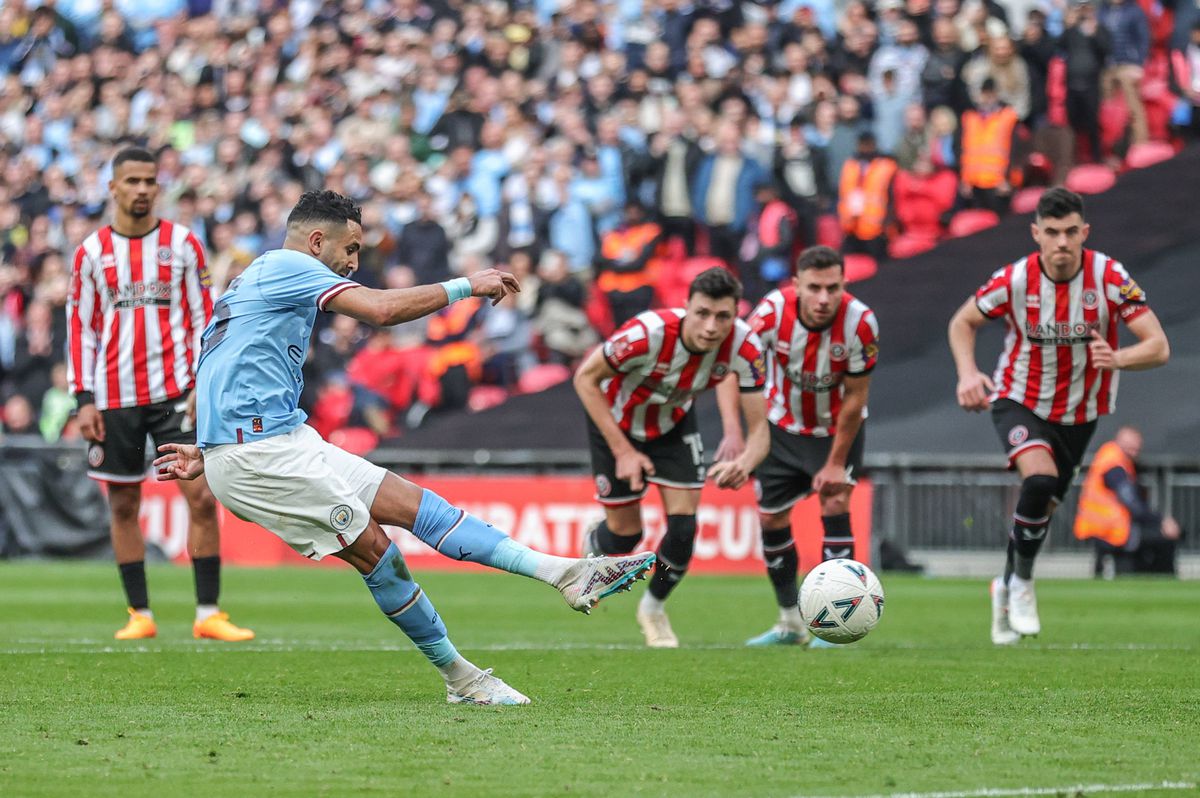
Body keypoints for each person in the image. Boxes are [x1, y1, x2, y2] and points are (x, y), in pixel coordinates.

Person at [154, 191, 656, 705]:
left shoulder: (263, 276)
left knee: (420, 508)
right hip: (259, 454)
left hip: (274, 438)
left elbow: (227, 356)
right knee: (377, 552)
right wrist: (468, 285)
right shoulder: (287, 265)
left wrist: (209, 445)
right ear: (317, 240)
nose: (354, 262)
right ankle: (463, 680)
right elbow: (381, 309)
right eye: (350, 250)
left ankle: (565, 574)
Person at [947, 187, 1170, 646]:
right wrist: (968, 373)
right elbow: (962, 321)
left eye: (1071, 232)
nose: (1062, 242)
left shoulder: (1108, 276)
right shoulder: (1014, 279)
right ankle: (1024, 583)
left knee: (1043, 506)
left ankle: (1005, 584)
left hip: (1080, 412)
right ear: (1036, 234)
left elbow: (1159, 346)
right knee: (1040, 481)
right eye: (1052, 232)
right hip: (1018, 397)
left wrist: (1120, 359)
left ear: (1084, 232)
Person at [66, 147, 254, 642]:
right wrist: (82, 398)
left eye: (150, 180)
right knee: (123, 505)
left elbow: (205, 319)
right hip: (114, 396)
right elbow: (81, 329)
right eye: (133, 181)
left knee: (201, 495)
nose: (143, 189)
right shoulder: (91, 252)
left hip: (178, 393)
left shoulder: (184, 244)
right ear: (114, 187)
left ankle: (208, 612)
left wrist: (204, 386)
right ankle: (139, 614)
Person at [573, 267, 770, 648]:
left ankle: (652, 608)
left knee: (683, 529)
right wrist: (623, 451)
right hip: (615, 423)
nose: (712, 327)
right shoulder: (647, 333)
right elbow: (585, 378)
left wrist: (744, 462)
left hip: (674, 425)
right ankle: (596, 540)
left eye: (723, 317)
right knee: (626, 535)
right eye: (703, 314)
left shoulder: (745, 348)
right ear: (686, 307)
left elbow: (761, 431)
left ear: (736, 314)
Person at [716, 246, 879, 648]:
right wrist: (734, 432)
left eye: (833, 288)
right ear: (796, 286)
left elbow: (856, 399)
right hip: (779, 429)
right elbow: (730, 367)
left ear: (844, 284)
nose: (824, 299)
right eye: (814, 288)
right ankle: (790, 622)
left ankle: (833, 626)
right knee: (772, 520)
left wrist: (836, 462)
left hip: (837, 428)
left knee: (836, 503)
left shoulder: (861, 323)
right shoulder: (771, 312)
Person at [1073, 426, 1183, 577]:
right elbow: (1132, 504)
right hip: (1111, 529)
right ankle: (1164, 581)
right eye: (1132, 448)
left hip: (1101, 526)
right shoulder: (1114, 465)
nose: (1135, 452)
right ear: (1121, 443)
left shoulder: (1109, 458)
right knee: (1164, 540)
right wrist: (1161, 521)